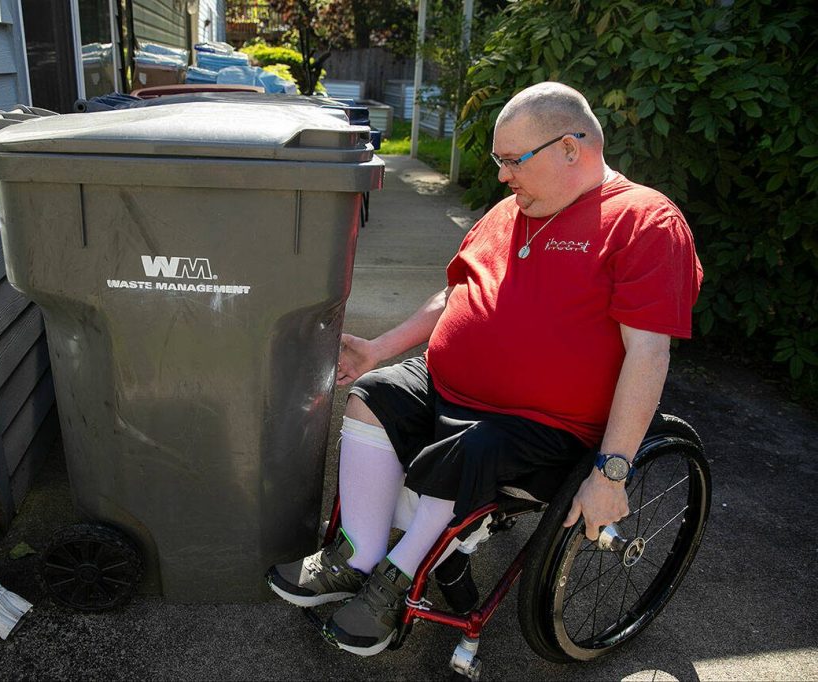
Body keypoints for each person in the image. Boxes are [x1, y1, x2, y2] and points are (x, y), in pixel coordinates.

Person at [266, 81, 703, 657]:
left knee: (468, 450)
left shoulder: (645, 222)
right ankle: (359, 556)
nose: (502, 175)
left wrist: (612, 473)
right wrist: (378, 348)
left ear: (570, 148)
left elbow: (649, 353)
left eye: (513, 160)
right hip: (451, 389)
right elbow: (456, 294)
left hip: (544, 425)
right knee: (374, 394)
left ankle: (396, 582)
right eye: (500, 160)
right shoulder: (511, 210)